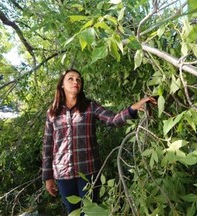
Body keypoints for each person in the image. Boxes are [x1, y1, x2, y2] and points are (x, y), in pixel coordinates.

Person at [42, 69, 156, 215]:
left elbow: (113, 120)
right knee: (72, 211)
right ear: (62, 85)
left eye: (79, 79)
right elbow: (47, 145)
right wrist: (48, 177)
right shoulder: (52, 112)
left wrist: (134, 107)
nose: (76, 82)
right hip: (63, 174)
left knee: (91, 212)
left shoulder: (90, 106)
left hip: (89, 170)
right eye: (70, 79)